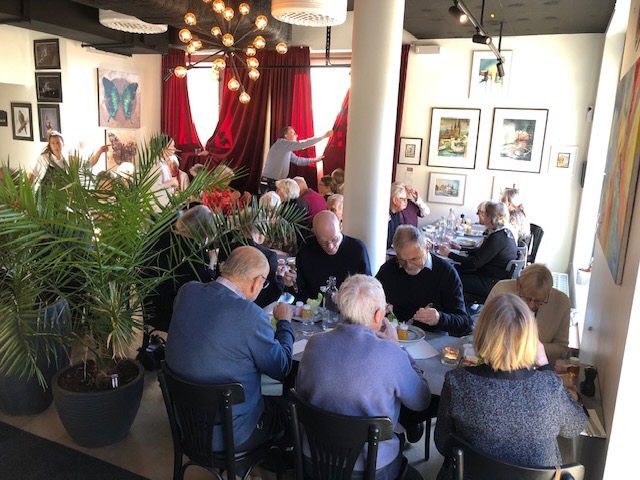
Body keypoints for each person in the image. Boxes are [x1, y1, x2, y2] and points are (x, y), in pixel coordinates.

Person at [434, 294, 586, 480]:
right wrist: (545, 365)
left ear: (482, 335)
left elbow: (443, 443)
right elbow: (575, 426)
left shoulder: (457, 382)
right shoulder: (550, 386)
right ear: (531, 340)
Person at [296, 274, 431, 480]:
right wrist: (397, 346)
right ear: (378, 315)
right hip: (369, 469)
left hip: (313, 459)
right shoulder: (390, 353)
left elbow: (302, 392)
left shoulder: (314, 343)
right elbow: (422, 401)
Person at [165, 246, 295, 451]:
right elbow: (281, 368)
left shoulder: (187, 291)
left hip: (187, 424)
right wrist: (284, 323)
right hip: (231, 434)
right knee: (288, 406)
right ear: (257, 282)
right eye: (264, 283)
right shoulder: (250, 315)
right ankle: (273, 459)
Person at [376, 225, 471, 336]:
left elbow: (463, 322)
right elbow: (368, 303)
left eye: (414, 259)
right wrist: (379, 307)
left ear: (427, 248)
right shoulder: (389, 269)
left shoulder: (446, 272)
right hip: (394, 334)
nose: (408, 265)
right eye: (402, 260)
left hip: (432, 336)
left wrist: (439, 318)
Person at [143, 204, 215, 333]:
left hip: (147, 304)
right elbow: (202, 288)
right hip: (172, 315)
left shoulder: (162, 238)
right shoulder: (198, 255)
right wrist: (212, 262)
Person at [485, 263, 570, 365]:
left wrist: (531, 347)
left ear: (549, 292)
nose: (531, 305)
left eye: (539, 301)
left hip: (538, 368)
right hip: (499, 362)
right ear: (518, 284)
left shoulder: (561, 302)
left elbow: (562, 348)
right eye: (526, 298)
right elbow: (484, 332)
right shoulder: (501, 290)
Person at [439, 201, 517, 303]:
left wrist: (449, 254)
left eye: (486, 215)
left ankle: (457, 309)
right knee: (454, 269)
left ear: (491, 218)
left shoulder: (496, 238)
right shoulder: (504, 233)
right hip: (493, 276)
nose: (484, 217)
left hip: (490, 282)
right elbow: (483, 252)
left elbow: (474, 263)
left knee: (451, 277)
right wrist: (461, 249)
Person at [216, 211, 296, 308]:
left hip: (223, 302)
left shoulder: (225, 249)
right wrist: (280, 277)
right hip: (254, 308)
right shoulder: (269, 256)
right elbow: (272, 294)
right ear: (262, 231)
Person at [295, 210, 371, 302]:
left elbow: (368, 287)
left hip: (348, 307)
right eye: (323, 243)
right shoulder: (307, 247)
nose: (330, 246)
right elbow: (299, 287)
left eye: (335, 239)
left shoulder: (357, 249)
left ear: (340, 227)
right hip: (311, 306)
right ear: (315, 235)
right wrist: (291, 282)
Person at [29, 130, 109, 191]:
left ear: (63, 144)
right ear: (49, 145)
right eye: (52, 143)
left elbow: (90, 163)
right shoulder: (44, 158)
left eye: (58, 143)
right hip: (44, 196)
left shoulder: (69, 160)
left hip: (61, 197)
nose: (56, 145)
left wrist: (100, 151)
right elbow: (32, 175)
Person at [260, 127, 333, 193]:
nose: (296, 135)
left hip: (274, 182)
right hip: (270, 182)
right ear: (286, 135)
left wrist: (313, 160)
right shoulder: (282, 143)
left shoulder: (285, 148)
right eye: (293, 133)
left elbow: (297, 160)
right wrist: (324, 136)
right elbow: (303, 144)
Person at [387, 183, 408, 248]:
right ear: (395, 200)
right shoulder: (385, 215)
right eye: (403, 199)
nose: (406, 202)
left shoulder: (397, 213)